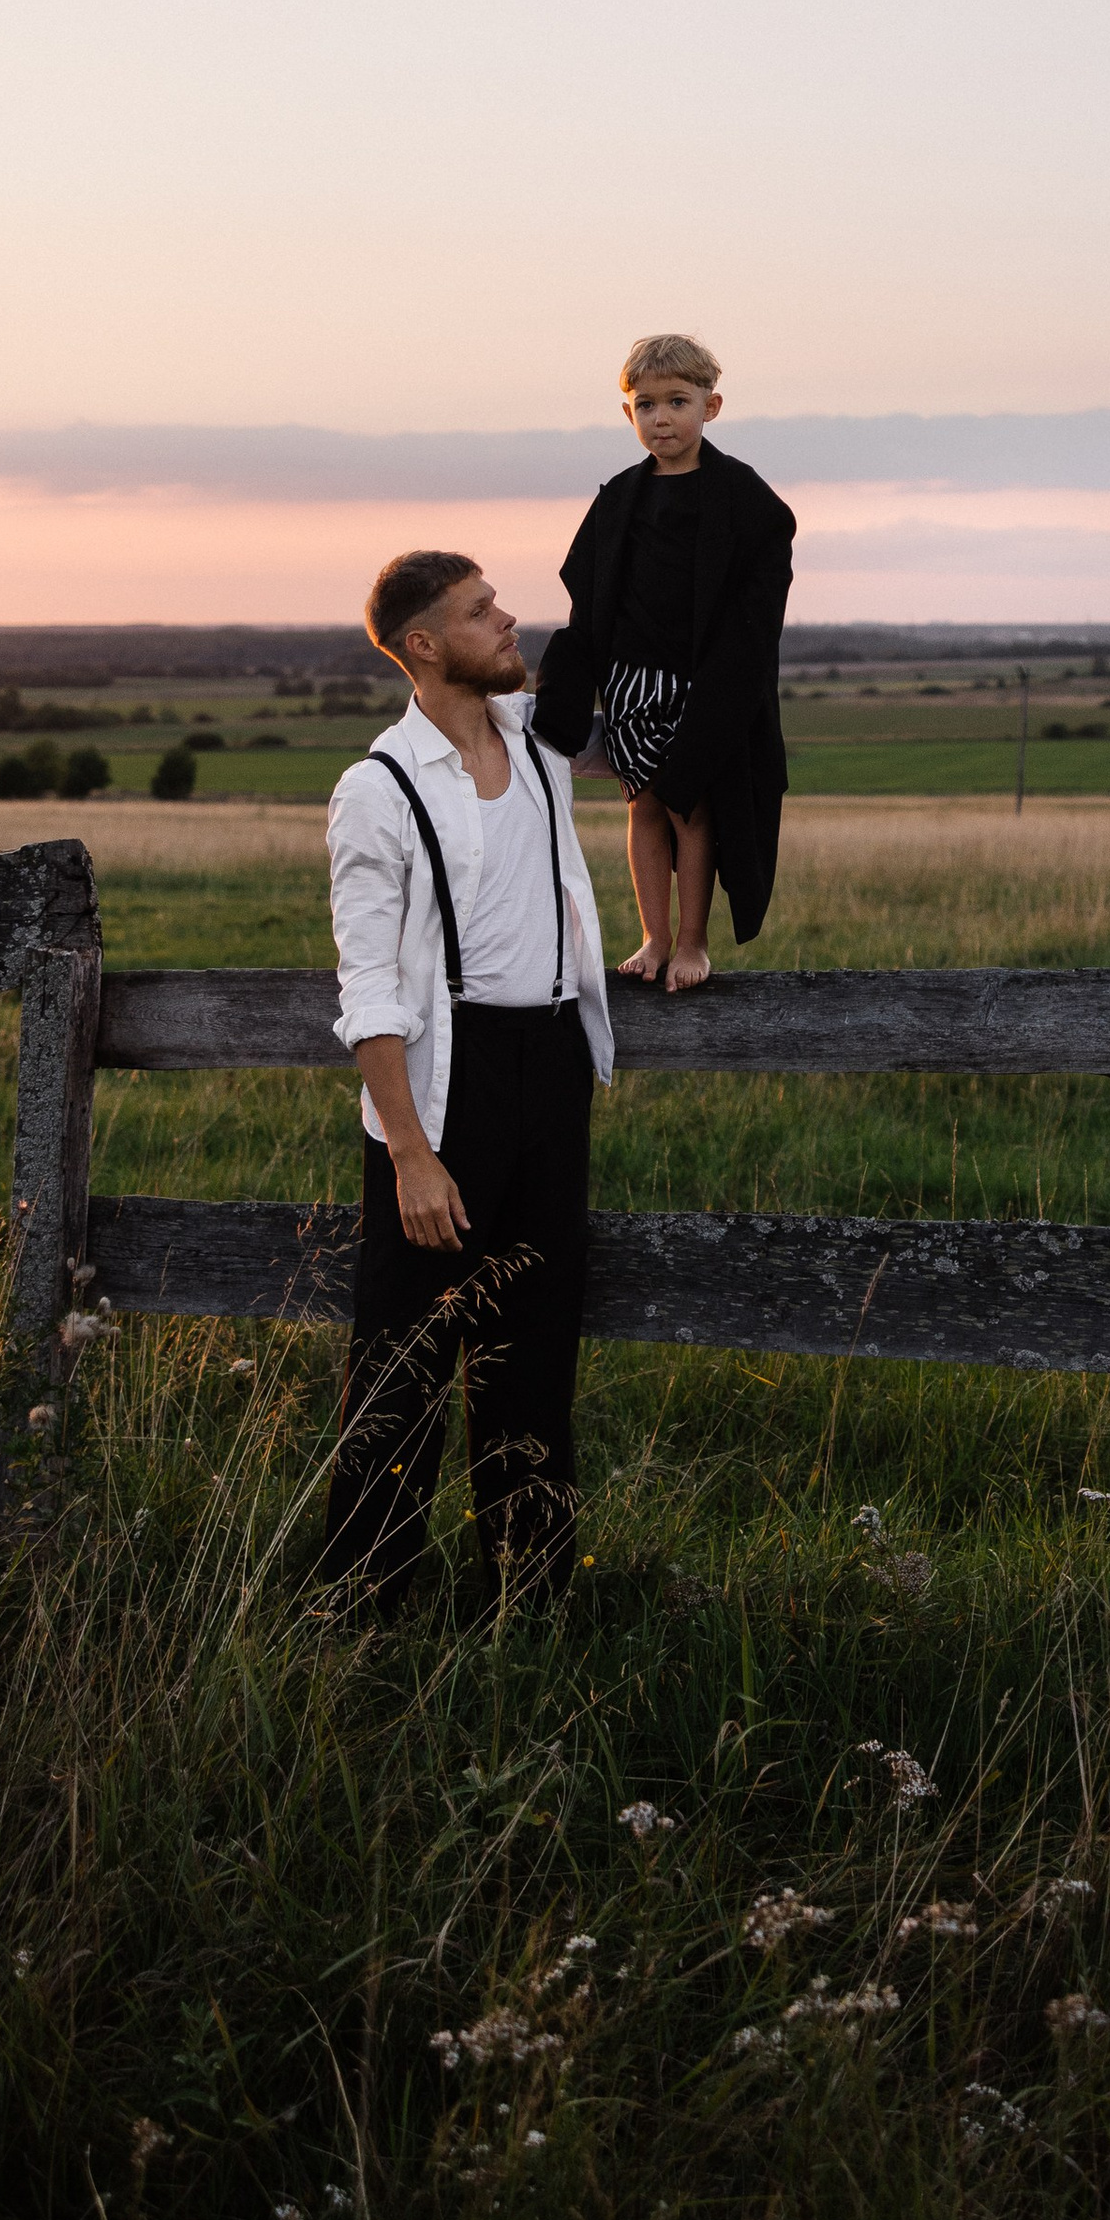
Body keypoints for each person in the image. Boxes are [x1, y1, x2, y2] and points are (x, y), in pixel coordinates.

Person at [319, 549, 614, 1612]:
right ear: (425, 646)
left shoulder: (537, 746)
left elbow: (620, 657)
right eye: (481, 611)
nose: (507, 619)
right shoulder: (380, 788)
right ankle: (365, 1605)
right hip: (445, 1090)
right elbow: (369, 989)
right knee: (402, 1361)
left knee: (533, 1357)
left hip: (552, 1067)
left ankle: (529, 1600)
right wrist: (409, 1154)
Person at [535, 334, 795, 987]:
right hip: (630, 683)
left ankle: (693, 943)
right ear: (629, 415)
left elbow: (753, 623)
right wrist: (564, 693)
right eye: (645, 405)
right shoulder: (620, 500)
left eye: (677, 402)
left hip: (703, 688)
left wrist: (722, 697)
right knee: (643, 806)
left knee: (693, 807)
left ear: (712, 406)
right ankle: (652, 938)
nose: (661, 418)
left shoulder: (745, 502)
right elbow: (588, 605)